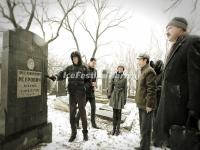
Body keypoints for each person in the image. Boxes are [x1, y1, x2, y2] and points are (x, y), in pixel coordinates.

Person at [153, 17, 200, 148]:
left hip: (181, 110)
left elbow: (196, 77)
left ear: (181, 28)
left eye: (170, 28)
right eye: (166, 29)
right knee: (168, 143)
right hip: (168, 108)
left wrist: (194, 109)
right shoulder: (176, 45)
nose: (166, 31)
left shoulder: (192, 42)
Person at [47, 51, 89, 142]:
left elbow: (88, 80)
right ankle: (73, 133)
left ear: (79, 58)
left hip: (81, 94)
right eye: (73, 58)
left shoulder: (84, 68)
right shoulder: (69, 68)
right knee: (72, 115)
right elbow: (61, 74)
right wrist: (54, 77)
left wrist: (84, 87)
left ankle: (85, 133)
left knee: (82, 114)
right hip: (72, 94)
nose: (74, 59)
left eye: (76, 57)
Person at [135, 54, 157, 150]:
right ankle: (143, 146)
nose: (138, 62)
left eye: (140, 60)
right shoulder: (143, 71)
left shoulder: (149, 71)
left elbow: (151, 89)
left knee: (146, 128)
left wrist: (149, 105)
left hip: (146, 105)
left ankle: (145, 147)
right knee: (142, 127)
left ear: (145, 60)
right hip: (141, 104)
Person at [76, 58, 100, 129]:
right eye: (93, 63)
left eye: (95, 63)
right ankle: (76, 121)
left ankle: (93, 124)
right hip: (85, 93)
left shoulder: (95, 71)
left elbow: (95, 80)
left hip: (92, 93)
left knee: (93, 108)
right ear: (89, 62)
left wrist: (95, 85)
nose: (94, 64)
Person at [107, 65, 127, 136]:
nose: (120, 69)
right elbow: (110, 85)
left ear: (123, 70)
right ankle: (114, 129)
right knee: (114, 112)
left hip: (121, 95)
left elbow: (125, 89)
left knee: (119, 113)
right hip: (114, 95)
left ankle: (118, 130)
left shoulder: (124, 78)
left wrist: (124, 99)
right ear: (117, 69)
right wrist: (109, 93)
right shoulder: (113, 76)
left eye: (122, 68)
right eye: (119, 68)